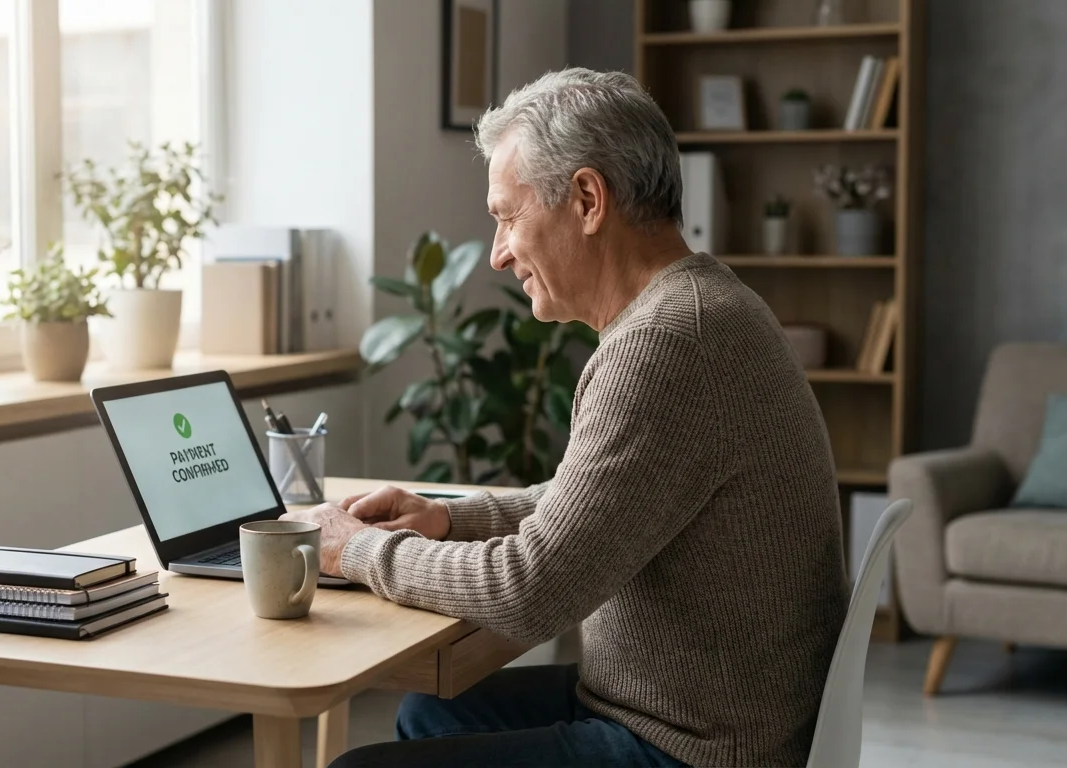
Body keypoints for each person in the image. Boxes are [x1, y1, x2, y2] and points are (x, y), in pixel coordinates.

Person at [282, 68, 848, 768]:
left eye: (507, 216)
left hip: (695, 747)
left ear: (586, 199)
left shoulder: (669, 343)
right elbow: (594, 503)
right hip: (684, 708)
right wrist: (447, 518)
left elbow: (528, 590)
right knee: (433, 712)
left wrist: (351, 549)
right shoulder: (698, 307)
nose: (497, 253)